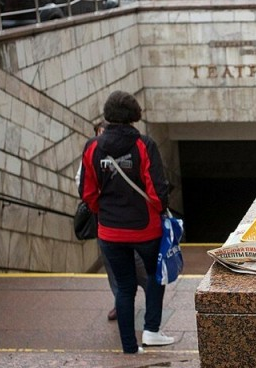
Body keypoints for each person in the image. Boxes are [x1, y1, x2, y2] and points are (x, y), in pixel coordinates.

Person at [79, 91, 174, 354]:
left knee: (124, 287)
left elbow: (87, 193)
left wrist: (105, 212)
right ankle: (152, 331)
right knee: (156, 276)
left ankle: (129, 347)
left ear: (108, 115)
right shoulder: (144, 145)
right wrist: (158, 210)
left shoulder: (92, 147)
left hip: (109, 231)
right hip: (145, 229)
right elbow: (157, 191)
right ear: (134, 114)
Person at [75, 120, 147, 323]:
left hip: (131, 221)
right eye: (100, 132)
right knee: (112, 265)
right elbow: (83, 186)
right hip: (106, 222)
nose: (104, 136)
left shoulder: (133, 149)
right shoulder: (91, 152)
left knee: (139, 263)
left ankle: (150, 298)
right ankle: (121, 303)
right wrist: (101, 208)